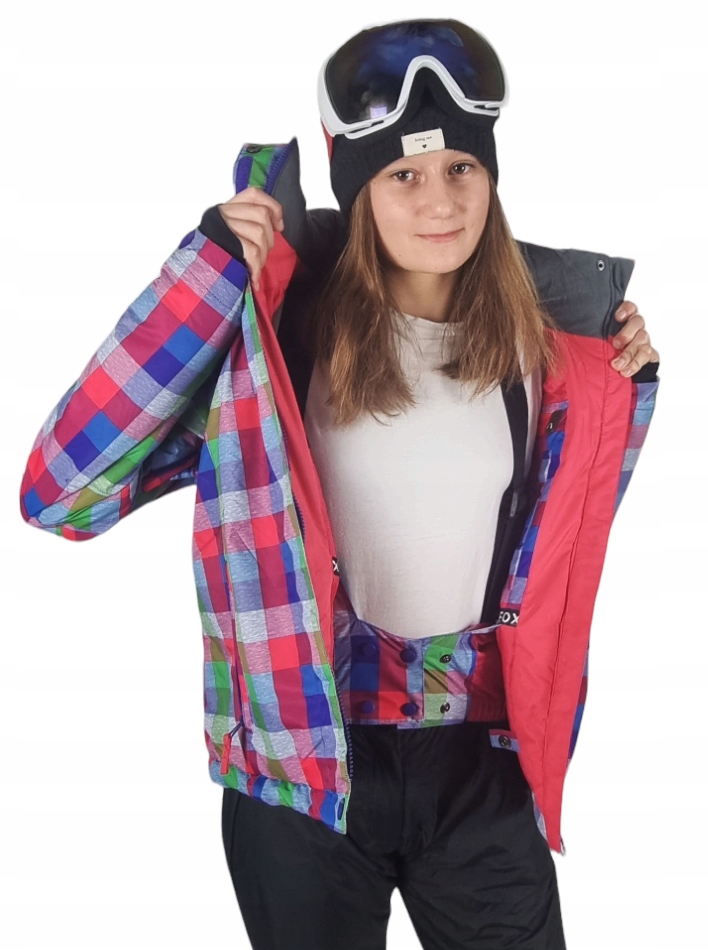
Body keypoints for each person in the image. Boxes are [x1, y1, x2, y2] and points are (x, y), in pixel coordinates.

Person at [19, 18, 660, 950]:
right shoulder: (274, 344)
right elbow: (62, 491)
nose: (441, 202)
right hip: (302, 769)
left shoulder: (552, 349)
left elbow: (560, 550)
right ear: (359, 192)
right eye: (403, 175)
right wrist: (202, 280)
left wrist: (619, 373)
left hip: (478, 764)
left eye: (462, 168)